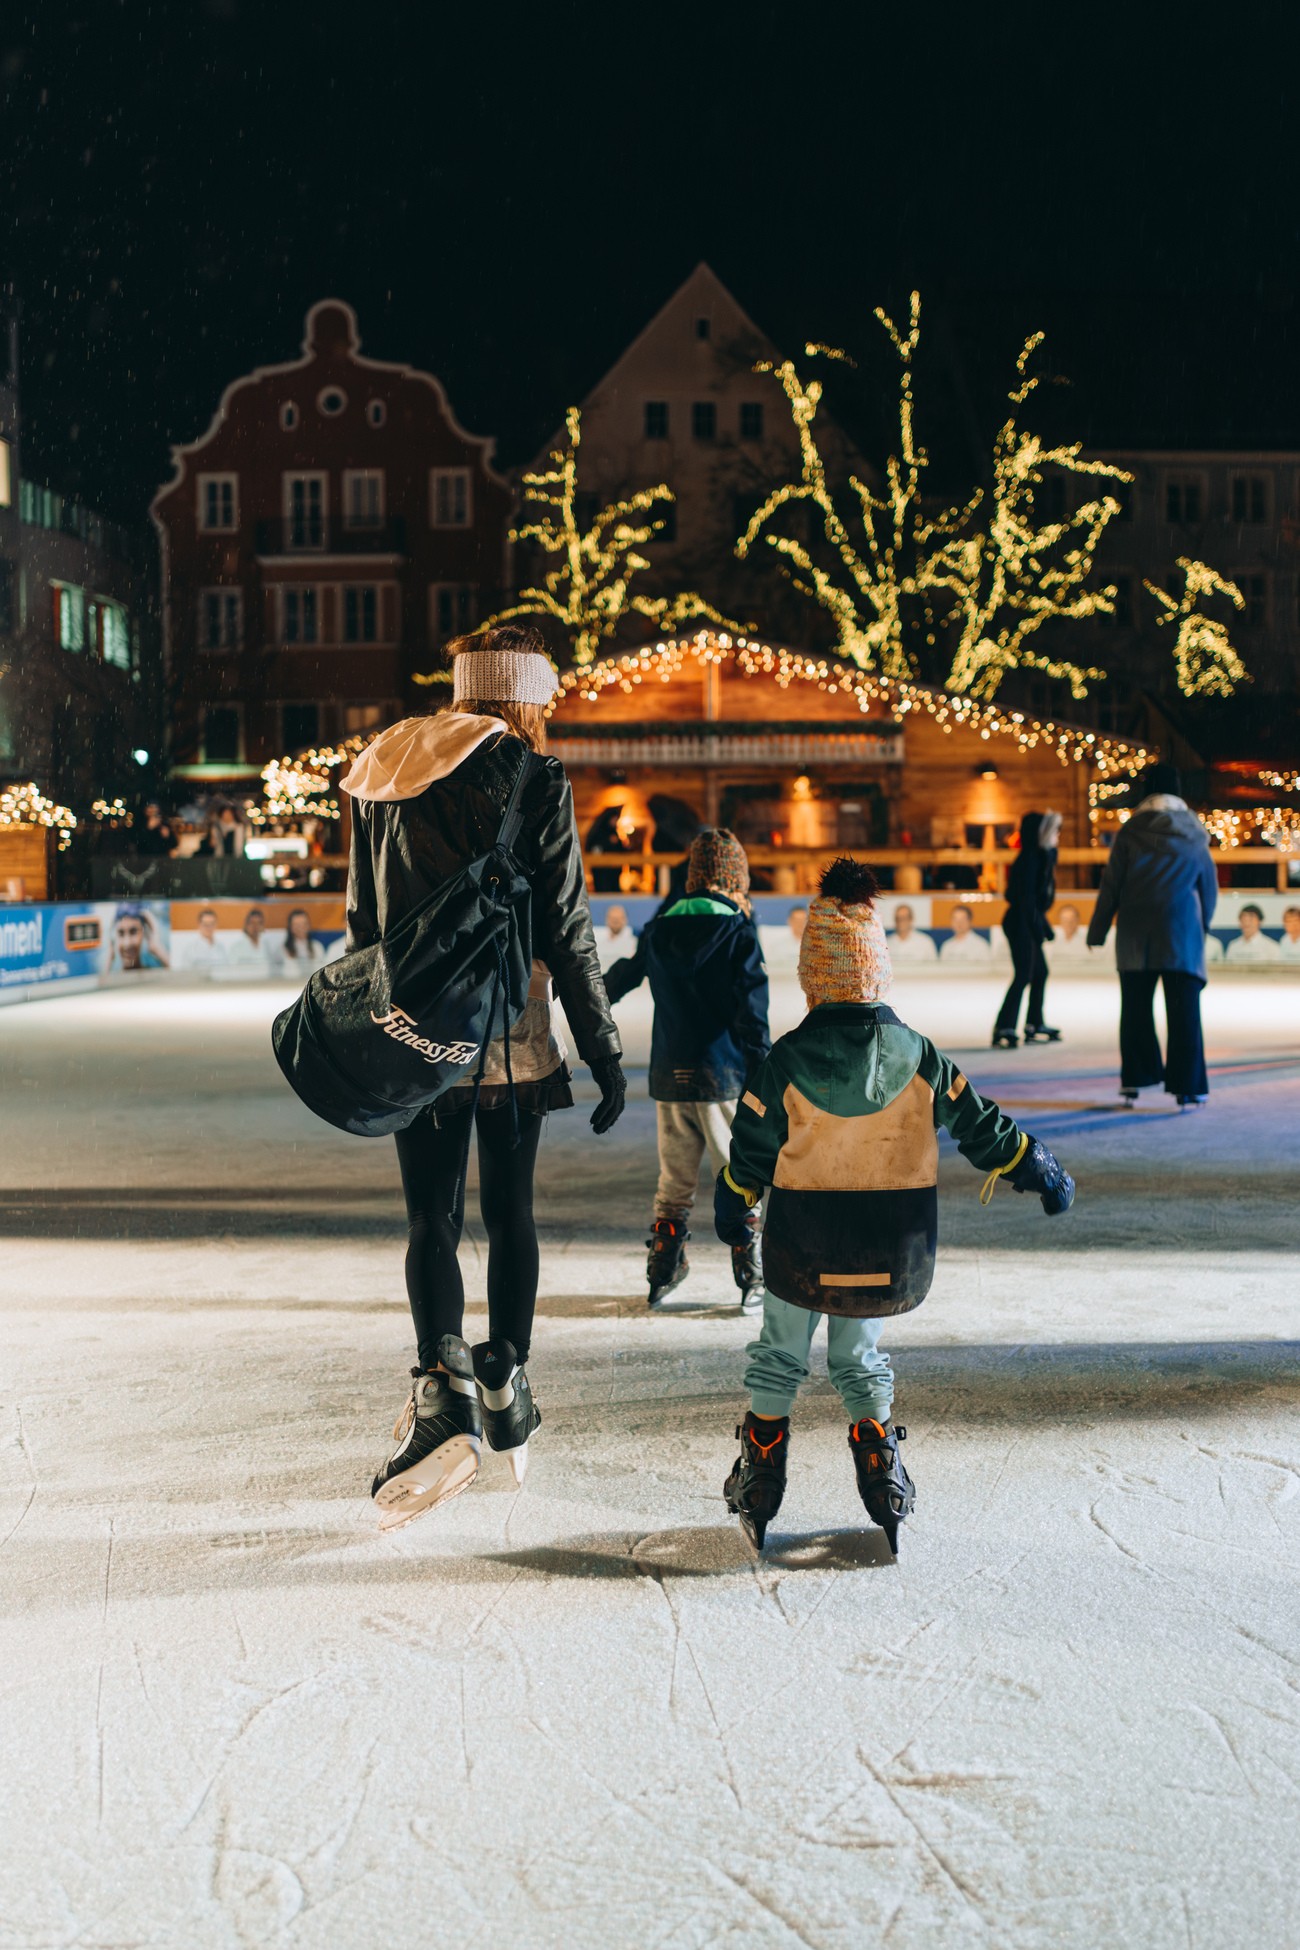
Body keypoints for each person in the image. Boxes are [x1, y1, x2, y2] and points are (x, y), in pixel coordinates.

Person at [343, 625, 625, 1529]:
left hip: (410, 1029)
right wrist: (603, 1045)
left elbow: (360, 919)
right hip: (508, 1035)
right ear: (522, 700)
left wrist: (373, 1027)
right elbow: (567, 926)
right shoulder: (534, 778)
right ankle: (503, 1372)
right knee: (510, 1213)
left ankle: (439, 1386)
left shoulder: (381, 768)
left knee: (432, 1216)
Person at [713, 858, 1073, 1555]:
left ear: (814, 975)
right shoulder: (922, 1056)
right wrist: (1037, 1165)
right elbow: (983, 1125)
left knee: (780, 1351)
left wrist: (733, 1205)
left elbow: (750, 1154)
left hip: (801, 1248)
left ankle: (761, 1464)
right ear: (877, 968)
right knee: (860, 1353)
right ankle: (878, 1455)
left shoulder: (783, 1062)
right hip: (891, 1251)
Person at [605, 828, 770, 1312]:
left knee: (674, 1180)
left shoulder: (660, 929)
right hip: (722, 1078)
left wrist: (584, 999)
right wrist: (764, 1078)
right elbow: (751, 1015)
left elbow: (624, 976)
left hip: (668, 1078)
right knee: (736, 1173)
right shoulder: (738, 931)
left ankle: (664, 1264)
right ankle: (750, 1269)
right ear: (734, 880)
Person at [1087, 762, 1217, 1107]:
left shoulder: (1130, 831)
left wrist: (1098, 930)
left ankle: (1136, 1079)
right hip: (1180, 935)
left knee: (1135, 1010)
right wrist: (1200, 929)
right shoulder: (1195, 834)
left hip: (1135, 936)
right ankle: (1188, 1086)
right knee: (1185, 1012)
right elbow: (1209, 888)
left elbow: (1111, 885)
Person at [992, 810, 1063, 1047]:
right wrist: (1040, 926)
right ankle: (1004, 1026)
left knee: (1040, 972)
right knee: (1024, 973)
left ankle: (1034, 1023)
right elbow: (1025, 899)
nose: (1058, 836)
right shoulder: (1030, 859)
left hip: (1029, 921)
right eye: (1054, 831)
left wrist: (1042, 925)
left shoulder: (1041, 857)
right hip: (1019, 922)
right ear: (1041, 834)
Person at [104, 903, 170, 973]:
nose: (127, 943)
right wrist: (110, 957)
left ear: (143, 934)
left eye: (133, 932)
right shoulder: (113, 980)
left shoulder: (153, 975)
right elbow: (101, 984)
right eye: (121, 933)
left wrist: (157, 947)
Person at [585, 804, 631, 892]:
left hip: (614, 872)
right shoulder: (598, 833)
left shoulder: (614, 833)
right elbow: (594, 850)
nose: (616, 821)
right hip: (601, 873)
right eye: (615, 819)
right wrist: (607, 842)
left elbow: (620, 850)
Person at [278, 906, 328, 978]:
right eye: (297, 925)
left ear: (308, 925)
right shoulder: (283, 949)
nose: (301, 928)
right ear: (291, 928)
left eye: (304, 924)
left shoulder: (317, 947)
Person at [886, 901, 938, 965]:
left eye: (904, 918)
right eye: (897, 918)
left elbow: (934, 969)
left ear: (911, 919)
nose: (900, 921)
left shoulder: (926, 942)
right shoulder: (886, 943)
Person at [225, 906, 274, 974]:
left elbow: (271, 969)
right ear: (246, 925)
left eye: (259, 923)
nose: (255, 926)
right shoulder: (237, 947)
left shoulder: (266, 946)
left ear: (262, 926)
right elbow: (231, 971)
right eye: (252, 923)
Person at [180, 905, 227, 972]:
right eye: (205, 924)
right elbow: (185, 973)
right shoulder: (191, 949)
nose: (209, 928)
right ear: (199, 925)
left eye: (212, 924)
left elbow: (226, 970)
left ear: (216, 925)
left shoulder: (221, 947)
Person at [598, 902, 638, 969]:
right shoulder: (597, 944)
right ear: (606, 920)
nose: (615, 922)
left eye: (618, 919)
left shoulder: (635, 943)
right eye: (612, 918)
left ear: (625, 920)